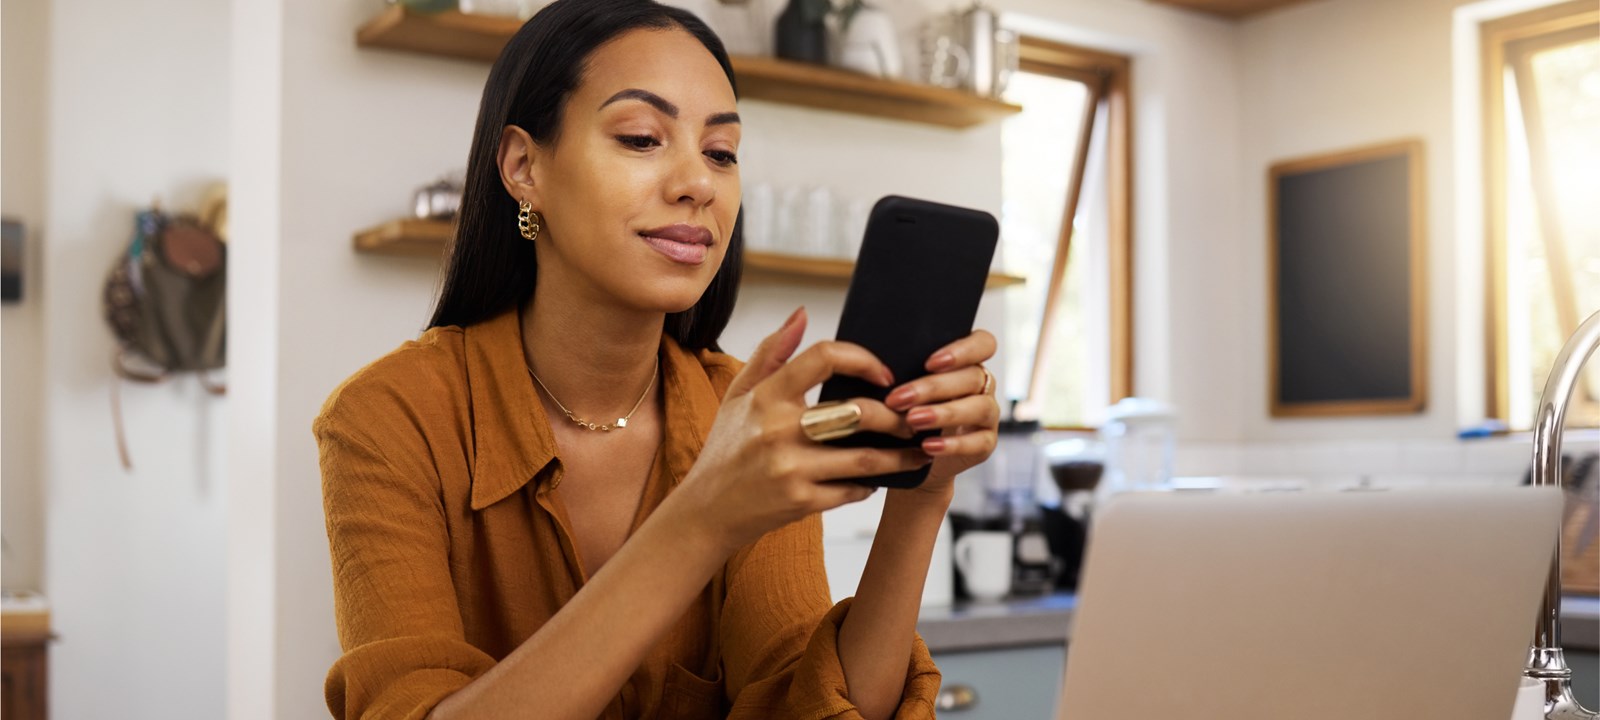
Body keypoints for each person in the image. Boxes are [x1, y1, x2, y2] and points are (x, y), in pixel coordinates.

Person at [315, 1, 1000, 718]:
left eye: (722, 152)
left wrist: (922, 499)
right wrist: (703, 519)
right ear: (524, 168)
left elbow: (807, 703)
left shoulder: (747, 412)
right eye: (643, 138)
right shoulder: (387, 419)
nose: (699, 183)